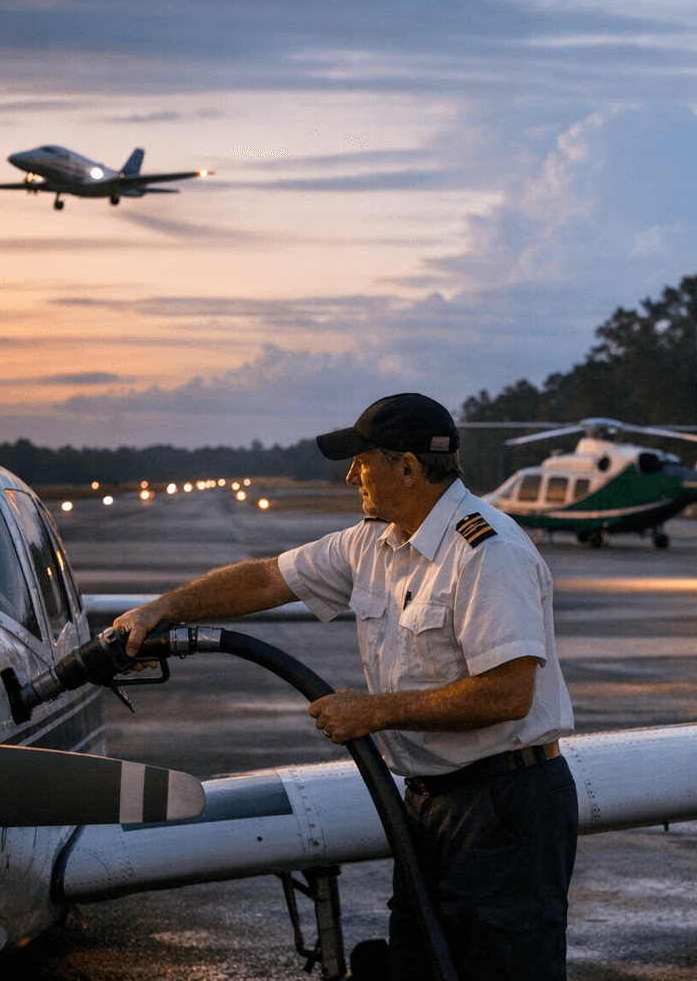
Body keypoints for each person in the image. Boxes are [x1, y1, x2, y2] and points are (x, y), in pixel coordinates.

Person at [114, 393, 578, 981]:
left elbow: (507, 695)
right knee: (423, 964)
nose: (350, 475)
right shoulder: (374, 543)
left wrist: (375, 712)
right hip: (432, 802)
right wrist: (163, 609)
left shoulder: (488, 551)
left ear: (406, 467)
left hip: (504, 805)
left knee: (501, 968)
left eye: (362, 461)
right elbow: (264, 580)